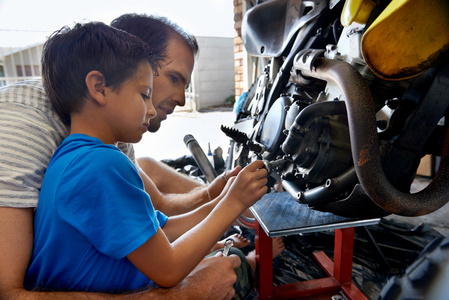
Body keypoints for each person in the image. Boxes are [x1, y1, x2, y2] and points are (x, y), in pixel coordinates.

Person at [0, 14, 245, 300]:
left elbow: (156, 215)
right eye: (145, 92)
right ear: (100, 86)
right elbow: (9, 293)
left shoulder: (86, 148)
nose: (178, 99)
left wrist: (214, 198)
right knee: (236, 271)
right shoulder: (30, 129)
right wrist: (232, 203)